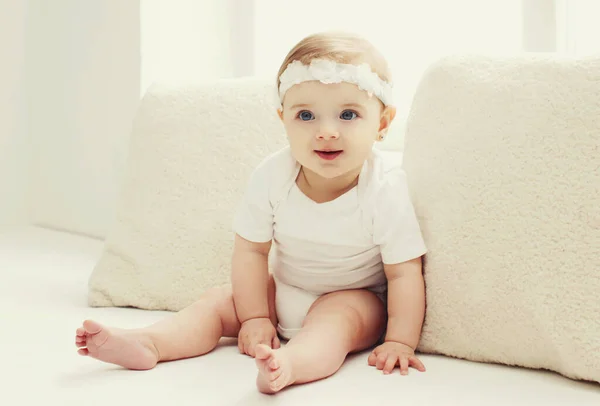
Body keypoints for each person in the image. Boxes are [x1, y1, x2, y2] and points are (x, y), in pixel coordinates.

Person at [75, 31, 427, 394]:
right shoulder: (273, 176)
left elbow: (403, 273)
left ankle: (289, 365)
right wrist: (256, 315)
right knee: (215, 302)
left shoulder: (384, 188)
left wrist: (400, 341)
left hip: (355, 297)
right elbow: (251, 251)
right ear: (283, 119)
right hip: (283, 289)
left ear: (382, 124)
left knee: (336, 322)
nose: (325, 131)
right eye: (306, 115)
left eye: (348, 114)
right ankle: (151, 343)